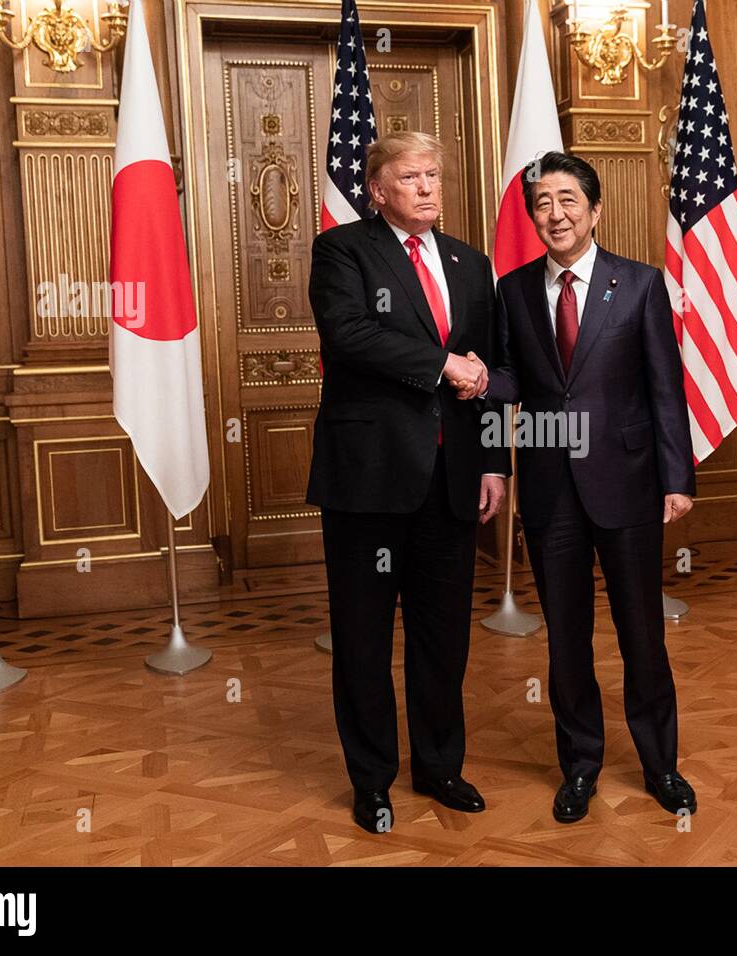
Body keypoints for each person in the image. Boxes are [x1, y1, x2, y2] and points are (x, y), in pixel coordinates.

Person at [486, 152, 698, 823]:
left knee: (643, 634)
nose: (556, 213)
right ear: (533, 216)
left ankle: (661, 764)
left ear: (595, 210)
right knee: (566, 640)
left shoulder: (639, 286)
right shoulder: (513, 292)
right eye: (543, 202)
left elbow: (666, 389)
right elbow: (507, 384)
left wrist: (677, 478)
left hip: (629, 483)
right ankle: (580, 766)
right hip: (550, 489)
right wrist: (464, 379)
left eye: (568, 199)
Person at [307, 130, 508, 834]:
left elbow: (490, 372)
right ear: (379, 190)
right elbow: (350, 334)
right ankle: (372, 779)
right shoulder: (342, 251)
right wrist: (443, 365)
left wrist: (492, 461)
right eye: (410, 176)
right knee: (362, 638)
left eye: (433, 174)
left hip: (451, 481)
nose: (427, 186)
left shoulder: (469, 262)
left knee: (443, 636)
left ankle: (440, 766)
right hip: (368, 481)